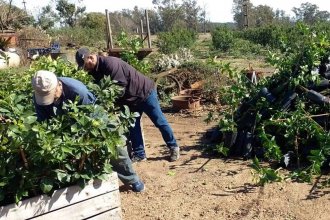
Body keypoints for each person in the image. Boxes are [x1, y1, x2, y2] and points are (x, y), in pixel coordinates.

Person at [32, 70, 145, 192]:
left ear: (58, 85)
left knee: (113, 146)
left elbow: (90, 120)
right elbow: (43, 122)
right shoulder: (40, 93)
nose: (50, 99)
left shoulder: (78, 92)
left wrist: (80, 140)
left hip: (92, 115)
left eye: (51, 95)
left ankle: (132, 179)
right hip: (63, 122)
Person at [75, 47, 180, 162]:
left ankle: (173, 147)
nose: (85, 69)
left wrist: (108, 103)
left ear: (90, 58)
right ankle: (140, 154)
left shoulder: (110, 64)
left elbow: (120, 87)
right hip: (130, 100)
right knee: (132, 126)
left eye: (84, 65)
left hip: (144, 93)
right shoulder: (94, 71)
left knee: (159, 121)